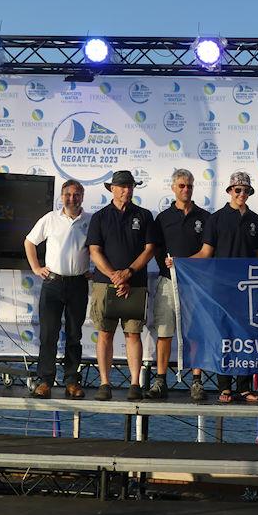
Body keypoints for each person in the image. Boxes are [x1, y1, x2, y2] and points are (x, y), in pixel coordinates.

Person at [192, 171, 258, 403]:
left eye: (245, 190)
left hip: (248, 290)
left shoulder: (257, 220)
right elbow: (205, 253)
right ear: (229, 191)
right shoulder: (216, 219)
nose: (241, 194)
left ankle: (244, 387)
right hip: (221, 289)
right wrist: (181, 262)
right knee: (224, 336)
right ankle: (224, 387)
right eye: (237, 190)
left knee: (246, 337)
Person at [85, 170, 155, 401]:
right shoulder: (100, 217)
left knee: (133, 334)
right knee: (105, 333)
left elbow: (149, 249)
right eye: (122, 186)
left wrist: (129, 273)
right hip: (105, 285)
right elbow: (94, 251)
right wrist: (115, 275)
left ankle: (135, 383)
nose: (127, 190)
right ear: (112, 189)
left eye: (130, 186)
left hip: (135, 284)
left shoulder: (144, 215)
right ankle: (105, 383)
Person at [24, 179, 90, 399]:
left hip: (78, 283)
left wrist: (95, 270)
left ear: (82, 196)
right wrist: (35, 267)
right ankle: (45, 381)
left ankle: (72, 381)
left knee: (74, 334)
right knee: (49, 334)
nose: (72, 198)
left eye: (77, 194)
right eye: (68, 195)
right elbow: (29, 241)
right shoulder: (50, 218)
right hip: (53, 283)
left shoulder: (90, 220)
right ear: (62, 196)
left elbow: (100, 248)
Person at [148, 168, 210, 401]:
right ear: (173, 188)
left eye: (190, 186)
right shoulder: (163, 218)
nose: (186, 189)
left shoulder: (205, 217)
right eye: (182, 186)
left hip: (195, 284)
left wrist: (184, 264)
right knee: (164, 332)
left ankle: (196, 382)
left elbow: (207, 252)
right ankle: (160, 380)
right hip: (167, 281)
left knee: (195, 332)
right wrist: (167, 265)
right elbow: (155, 249)